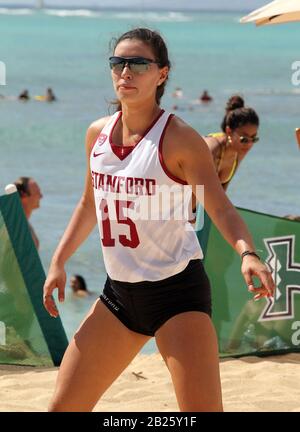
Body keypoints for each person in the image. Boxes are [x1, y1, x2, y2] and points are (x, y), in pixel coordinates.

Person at [43, 28, 274, 412]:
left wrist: (248, 253)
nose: (126, 72)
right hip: (118, 296)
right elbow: (88, 204)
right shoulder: (97, 134)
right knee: (63, 408)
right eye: (118, 63)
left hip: (176, 295)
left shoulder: (180, 138)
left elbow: (219, 206)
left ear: (162, 74)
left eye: (138, 63)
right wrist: (58, 261)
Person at [204, 95, 259, 191]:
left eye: (254, 139)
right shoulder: (212, 148)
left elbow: (221, 192)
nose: (249, 144)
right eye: (244, 139)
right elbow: (198, 192)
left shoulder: (238, 151)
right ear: (229, 131)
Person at [13, 176, 43, 249]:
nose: (41, 196)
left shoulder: (24, 223)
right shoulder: (15, 226)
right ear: (24, 196)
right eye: (37, 193)